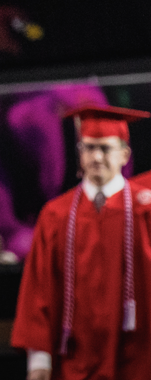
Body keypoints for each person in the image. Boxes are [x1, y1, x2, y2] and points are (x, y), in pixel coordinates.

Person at [12, 104, 151, 380]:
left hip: (137, 356)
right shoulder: (56, 214)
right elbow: (38, 288)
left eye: (105, 148)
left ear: (124, 154)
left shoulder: (144, 209)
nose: (96, 156)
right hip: (77, 356)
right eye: (88, 148)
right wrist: (38, 360)